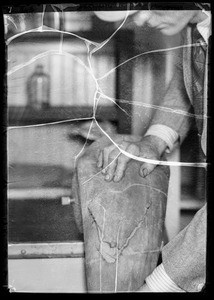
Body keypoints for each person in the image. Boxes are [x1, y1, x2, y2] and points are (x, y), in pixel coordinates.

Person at [95, 4, 211, 292]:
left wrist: (160, 284)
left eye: (147, 5)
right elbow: (192, 78)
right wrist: (154, 140)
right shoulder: (198, 24)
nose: (143, 19)